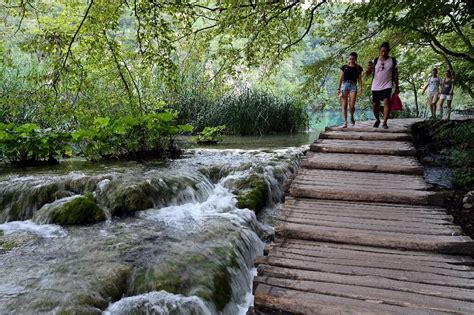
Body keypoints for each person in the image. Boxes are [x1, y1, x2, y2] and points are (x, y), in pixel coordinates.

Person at [365, 42, 399, 129]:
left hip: (387, 85)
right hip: (375, 86)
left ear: (389, 51)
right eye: (382, 51)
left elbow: (395, 74)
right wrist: (369, 68)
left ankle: (385, 122)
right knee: (375, 104)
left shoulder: (392, 61)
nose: (384, 53)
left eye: (386, 51)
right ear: (380, 51)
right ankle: (377, 120)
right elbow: (367, 74)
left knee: (386, 101)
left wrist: (396, 86)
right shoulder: (375, 61)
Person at [336, 52, 363, 128]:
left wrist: (361, 87)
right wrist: (338, 88)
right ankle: (345, 122)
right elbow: (340, 78)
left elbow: (360, 79)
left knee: (351, 106)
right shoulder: (344, 67)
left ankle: (351, 116)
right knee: (344, 105)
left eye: (353, 59)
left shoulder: (358, 68)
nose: (351, 60)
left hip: (353, 86)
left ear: (356, 59)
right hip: (345, 86)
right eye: (350, 58)